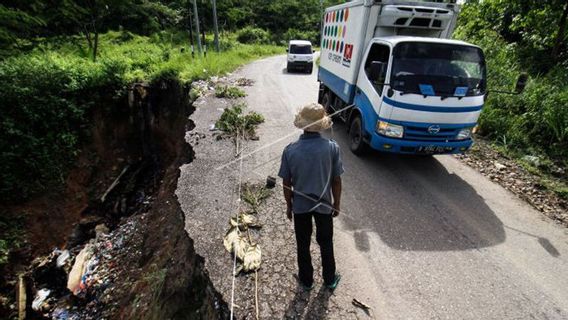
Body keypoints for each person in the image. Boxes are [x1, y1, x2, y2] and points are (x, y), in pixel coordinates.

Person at [278, 103, 344, 291]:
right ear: (321, 125)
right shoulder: (332, 148)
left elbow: (286, 183)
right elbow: (336, 181)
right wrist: (336, 204)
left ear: (303, 125)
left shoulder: (290, 150)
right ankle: (330, 279)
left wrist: (289, 206)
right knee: (326, 243)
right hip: (324, 206)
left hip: (300, 207)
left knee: (303, 244)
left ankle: (306, 281)